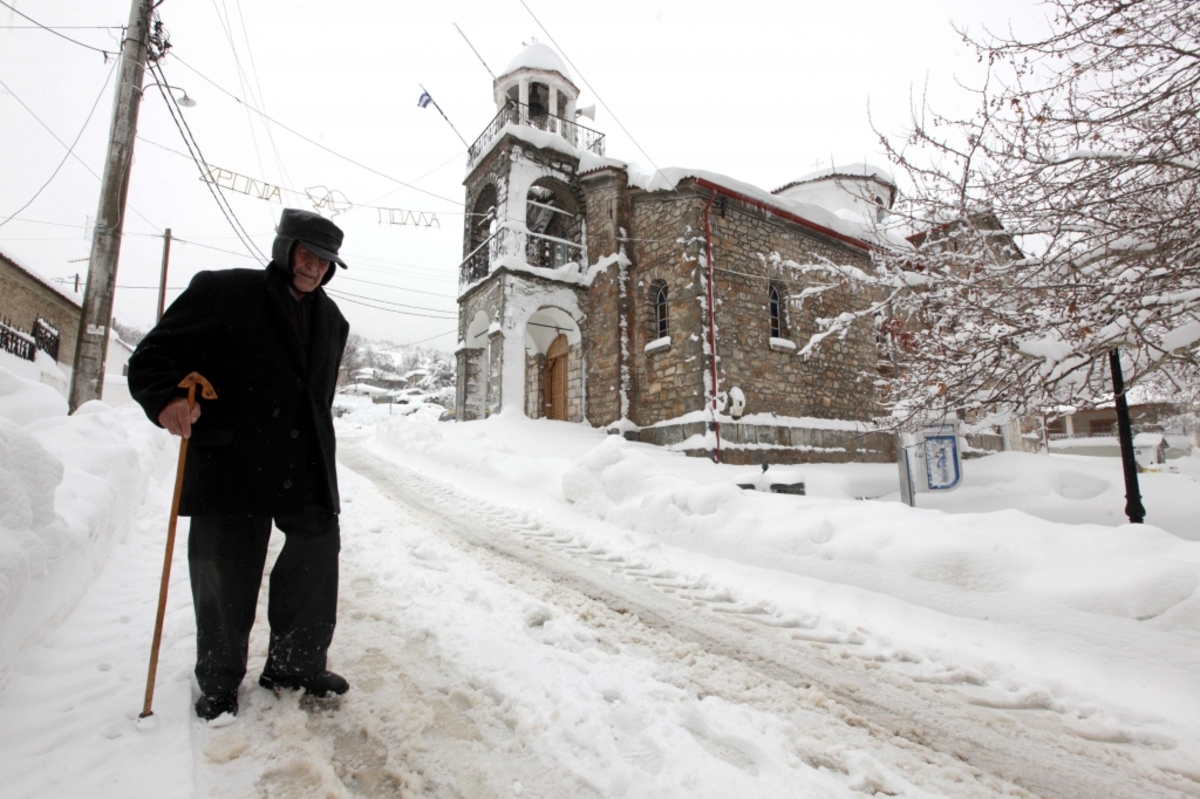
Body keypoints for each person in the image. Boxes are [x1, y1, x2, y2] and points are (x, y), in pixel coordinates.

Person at [128, 208, 351, 721]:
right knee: (226, 570)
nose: (313, 268)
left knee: (316, 555)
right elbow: (152, 358)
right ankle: (220, 679)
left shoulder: (332, 321)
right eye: (306, 254)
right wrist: (167, 399)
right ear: (284, 248)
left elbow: (314, 397)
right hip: (235, 459)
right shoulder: (223, 292)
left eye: (324, 262)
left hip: (305, 463)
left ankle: (294, 665)